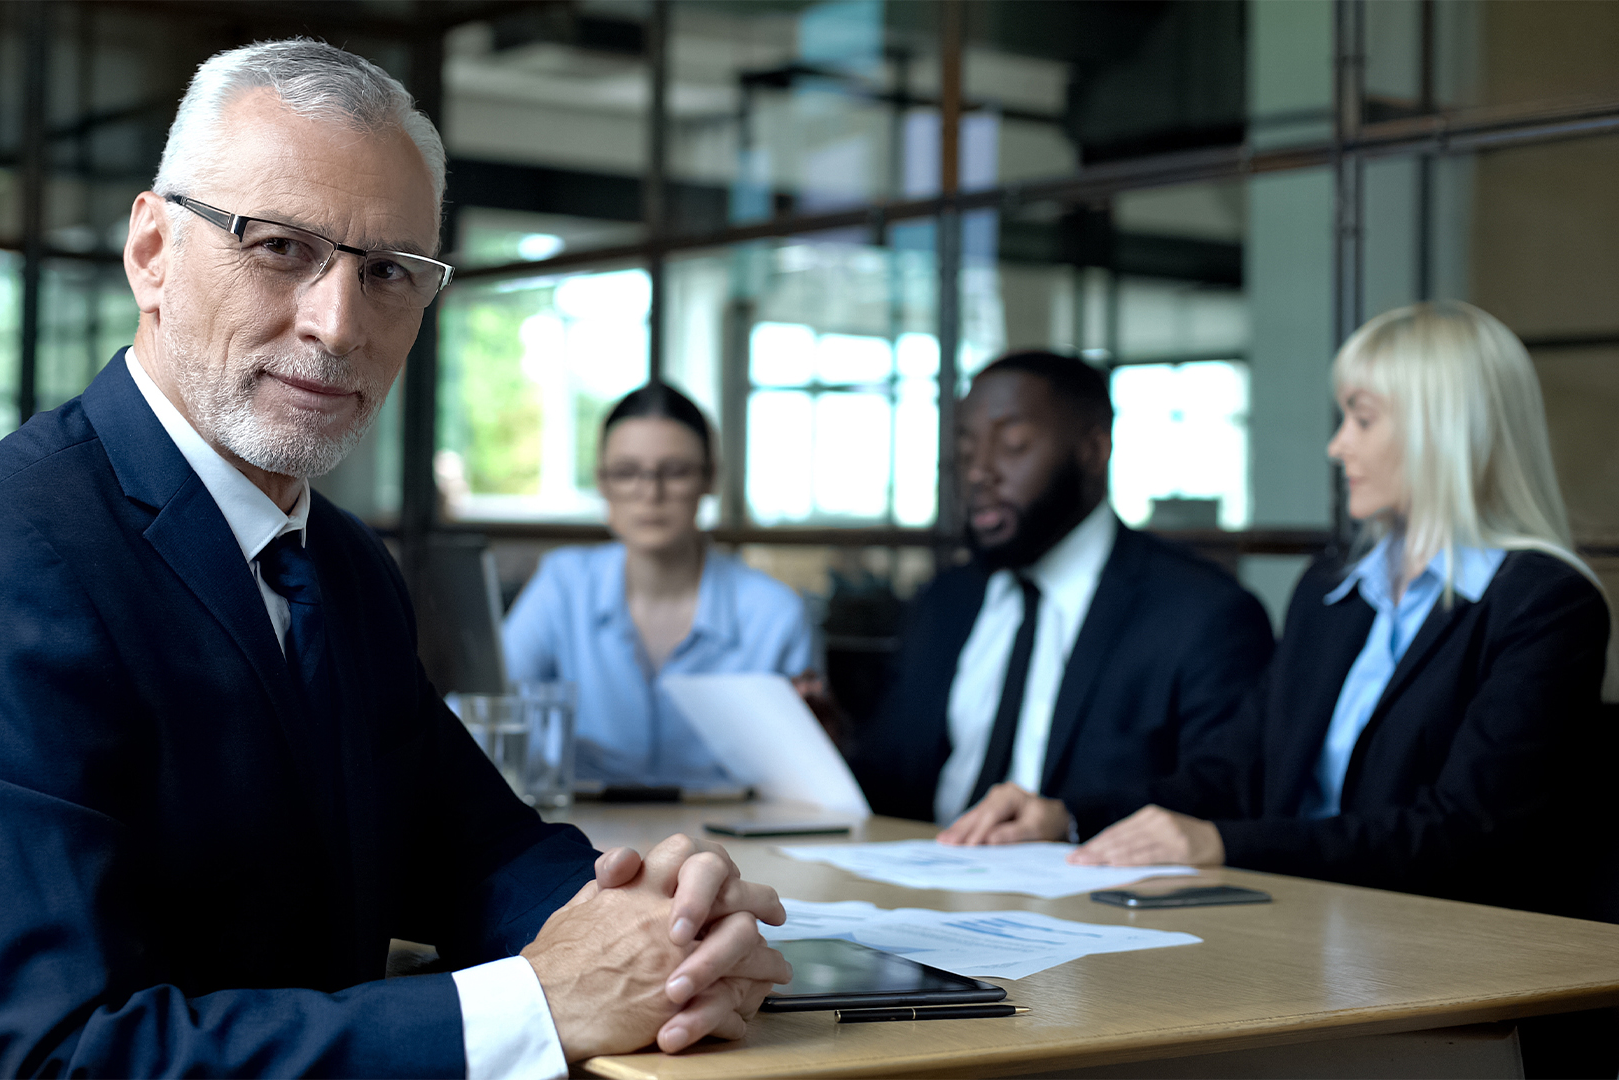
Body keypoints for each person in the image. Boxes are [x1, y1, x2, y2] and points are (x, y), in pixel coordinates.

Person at [0, 40, 789, 1079]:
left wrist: (663, 913)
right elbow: (67, 1054)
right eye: (280, 247)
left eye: (388, 273)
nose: (337, 324)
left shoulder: (337, 561)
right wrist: (537, 1006)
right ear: (152, 252)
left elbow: (477, 849)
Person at [1070, 301, 1616, 919]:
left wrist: (1225, 843)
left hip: (1436, 946)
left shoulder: (1545, 603)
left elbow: (1465, 832)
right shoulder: (1333, 588)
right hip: (1287, 917)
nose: (1336, 446)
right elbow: (1235, 770)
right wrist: (1065, 816)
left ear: (1442, 429)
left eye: (1362, 419)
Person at [848, 350, 1275, 841]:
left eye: (1013, 444)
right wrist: (829, 742)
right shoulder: (946, 602)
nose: (978, 472)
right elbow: (893, 776)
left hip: (1095, 898)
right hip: (919, 881)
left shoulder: (1203, 614)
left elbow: (1226, 792)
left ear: (1093, 451)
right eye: (966, 450)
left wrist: (1069, 820)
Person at [504, 384, 812, 787]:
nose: (650, 494)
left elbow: (804, 776)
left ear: (711, 478)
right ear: (602, 483)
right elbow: (489, 709)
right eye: (626, 472)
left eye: (676, 472)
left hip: (729, 837)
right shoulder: (562, 584)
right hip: (581, 830)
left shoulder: (775, 614)